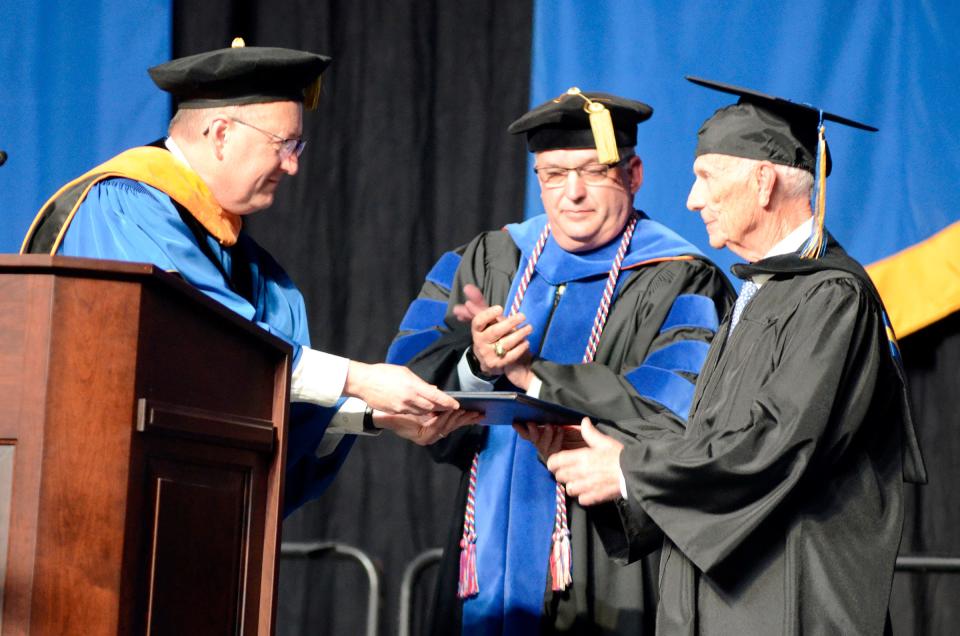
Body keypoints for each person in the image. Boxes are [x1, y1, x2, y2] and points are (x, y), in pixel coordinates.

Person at [528, 78, 928, 634]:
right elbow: (713, 440)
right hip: (726, 598)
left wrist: (628, 471)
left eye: (706, 178)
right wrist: (616, 457)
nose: (692, 199)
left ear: (763, 183)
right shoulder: (762, 293)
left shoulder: (831, 298)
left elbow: (773, 445)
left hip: (787, 600)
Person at [20, 41, 473, 515]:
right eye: (284, 145)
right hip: (96, 503)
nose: (293, 165)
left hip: (183, 509)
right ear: (220, 134)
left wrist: (375, 413)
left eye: (299, 147)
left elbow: (237, 396)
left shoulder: (245, 260)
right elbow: (210, 348)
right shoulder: (124, 206)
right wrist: (359, 380)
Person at [387, 88, 734, 635]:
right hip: (484, 553)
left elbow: (675, 415)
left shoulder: (682, 279)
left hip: (608, 552)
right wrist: (477, 367)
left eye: (594, 172)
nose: (572, 193)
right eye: (552, 174)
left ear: (634, 173)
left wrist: (534, 377)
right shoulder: (490, 259)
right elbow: (403, 375)